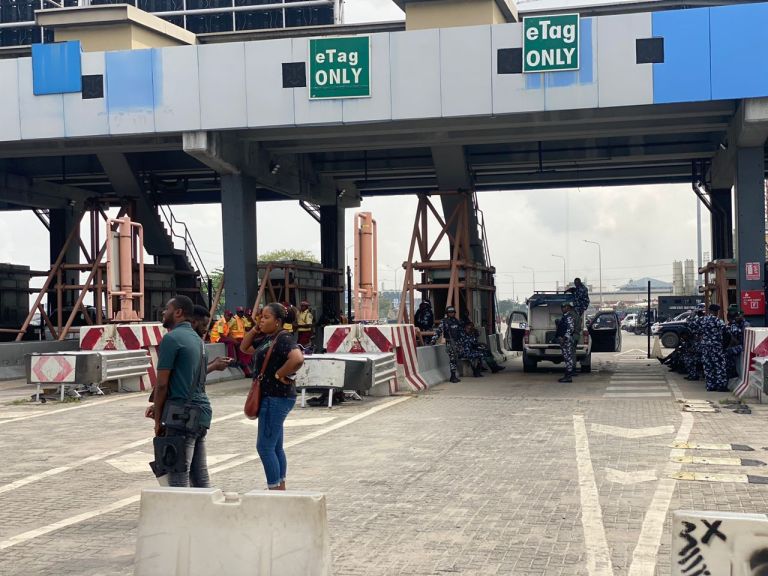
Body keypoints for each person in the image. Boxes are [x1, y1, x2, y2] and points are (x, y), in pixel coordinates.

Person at [240, 302, 305, 490]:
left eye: (266, 317)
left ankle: (275, 490)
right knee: (275, 447)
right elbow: (245, 347)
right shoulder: (269, 339)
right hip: (274, 397)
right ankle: (280, 487)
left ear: (277, 321)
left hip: (275, 397)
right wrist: (255, 328)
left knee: (264, 447)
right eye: (261, 316)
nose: (261, 320)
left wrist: (279, 374)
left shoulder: (283, 338)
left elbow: (297, 358)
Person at [150, 296, 213, 488]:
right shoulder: (198, 341)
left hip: (181, 416)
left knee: (178, 475)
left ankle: (182, 517)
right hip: (201, 413)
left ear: (178, 312)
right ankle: (206, 515)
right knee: (199, 475)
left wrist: (158, 420)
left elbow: (161, 385)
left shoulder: (172, 338)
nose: (163, 312)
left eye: (167, 309)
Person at [698, 303, 728, 392]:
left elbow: (698, 331)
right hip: (715, 346)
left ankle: (710, 386)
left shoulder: (703, 320)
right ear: (715, 311)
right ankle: (721, 386)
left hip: (705, 346)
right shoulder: (717, 320)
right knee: (719, 365)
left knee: (708, 366)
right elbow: (725, 330)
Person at [430, 306, 464, 383]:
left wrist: (462, 342)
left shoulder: (457, 321)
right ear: (447, 313)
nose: (451, 313)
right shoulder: (444, 322)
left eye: (452, 312)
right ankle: (453, 376)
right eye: (450, 312)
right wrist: (433, 340)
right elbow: (439, 331)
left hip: (457, 342)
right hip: (449, 342)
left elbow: (461, 332)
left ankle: (454, 375)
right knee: (452, 359)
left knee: (455, 359)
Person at [725, 310, 749, 379]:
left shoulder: (745, 324)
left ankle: (732, 373)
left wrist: (730, 346)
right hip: (740, 345)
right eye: (736, 316)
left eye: (738, 316)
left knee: (728, 352)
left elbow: (734, 339)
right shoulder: (737, 324)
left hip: (743, 345)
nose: (736, 318)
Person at [557, 301, 577, 383]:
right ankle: (567, 375)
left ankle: (569, 376)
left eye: (564, 307)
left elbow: (570, 329)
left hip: (567, 341)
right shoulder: (564, 316)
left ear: (568, 308)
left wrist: (564, 338)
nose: (563, 309)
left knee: (568, 358)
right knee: (566, 358)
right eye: (562, 307)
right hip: (564, 340)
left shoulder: (569, 317)